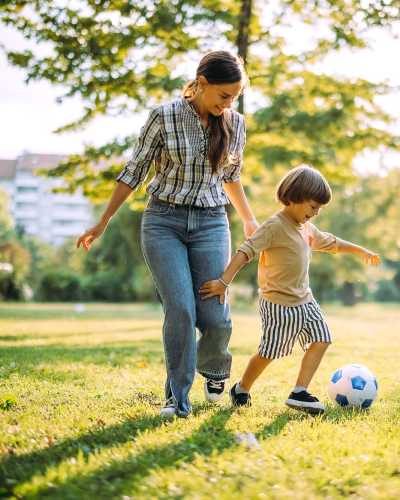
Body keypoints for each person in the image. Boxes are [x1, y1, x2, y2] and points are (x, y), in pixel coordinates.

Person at [77, 51, 258, 419]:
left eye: (235, 97)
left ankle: (214, 369)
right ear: (201, 84)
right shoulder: (164, 116)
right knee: (180, 309)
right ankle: (177, 399)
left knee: (216, 317)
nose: (229, 104)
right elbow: (134, 171)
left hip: (211, 223)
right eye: (224, 96)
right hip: (164, 222)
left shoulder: (235, 124)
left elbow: (231, 177)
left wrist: (249, 221)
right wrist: (104, 220)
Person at [199, 166, 381, 415]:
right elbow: (245, 252)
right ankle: (241, 388)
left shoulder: (306, 228)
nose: (315, 214)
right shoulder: (275, 226)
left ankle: (299, 392)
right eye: (313, 206)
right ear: (294, 197)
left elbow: (332, 243)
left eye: (319, 209)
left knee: (322, 338)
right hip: (277, 304)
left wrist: (361, 251)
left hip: (305, 299)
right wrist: (224, 282)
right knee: (268, 352)